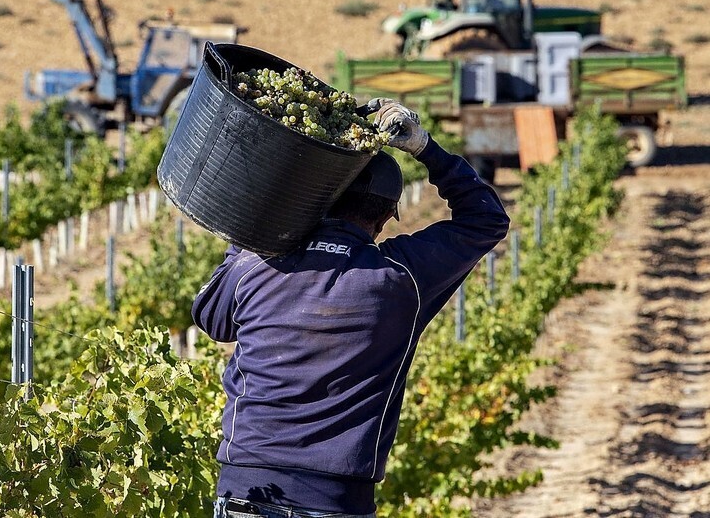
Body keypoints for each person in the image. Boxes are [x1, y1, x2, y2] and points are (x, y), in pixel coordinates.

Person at [192, 98, 510, 517]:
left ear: (320, 202)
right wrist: (424, 147)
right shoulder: (399, 279)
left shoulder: (257, 264)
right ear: (385, 218)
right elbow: (486, 220)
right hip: (337, 503)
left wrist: (268, 217)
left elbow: (211, 318)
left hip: (244, 495)